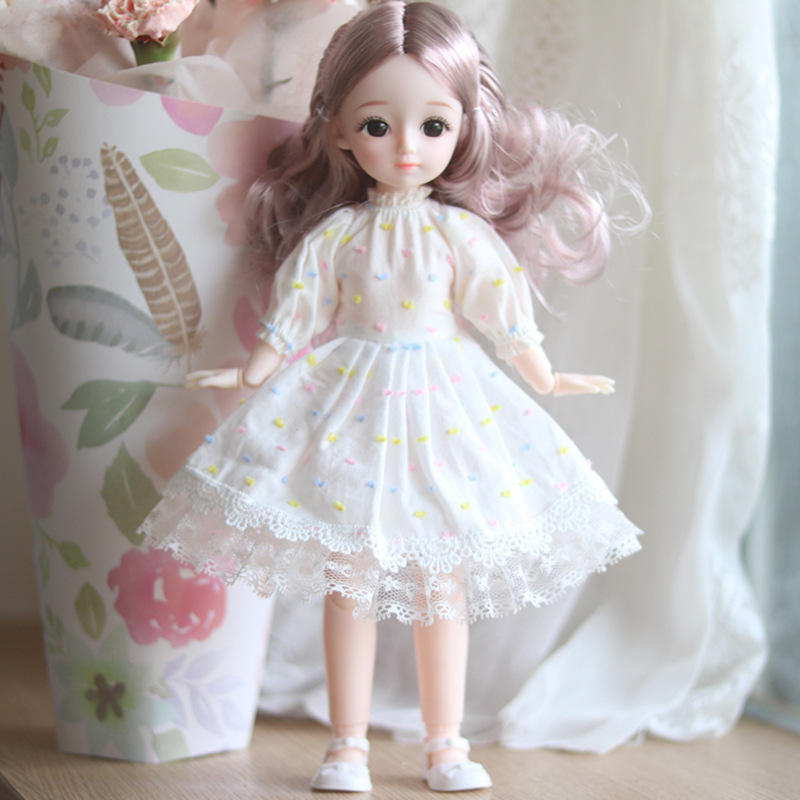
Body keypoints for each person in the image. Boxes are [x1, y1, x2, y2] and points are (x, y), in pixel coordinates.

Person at [140, 1, 646, 791]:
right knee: (352, 580)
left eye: (433, 126)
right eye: (378, 125)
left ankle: (445, 744)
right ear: (341, 132)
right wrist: (250, 372)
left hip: (446, 404)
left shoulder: (460, 236)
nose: (407, 146)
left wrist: (545, 375)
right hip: (350, 402)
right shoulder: (338, 236)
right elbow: (297, 311)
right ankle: (347, 745)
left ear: (463, 129)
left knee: (441, 580)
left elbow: (500, 311)